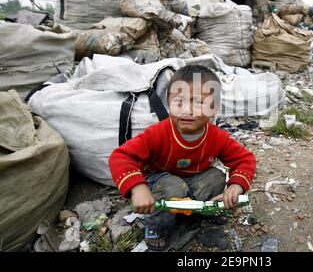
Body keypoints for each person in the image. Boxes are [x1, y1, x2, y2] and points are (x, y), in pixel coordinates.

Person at [109, 65, 256, 250]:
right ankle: (157, 227)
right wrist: (138, 188)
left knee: (215, 177)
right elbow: (121, 156)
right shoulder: (157, 133)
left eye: (198, 103)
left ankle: (202, 210)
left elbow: (245, 159)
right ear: (168, 103)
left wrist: (236, 186)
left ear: (214, 108)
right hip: (159, 180)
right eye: (179, 102)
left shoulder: (217, 137)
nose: (187, 110)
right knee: (173, 186)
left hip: (193, 177)